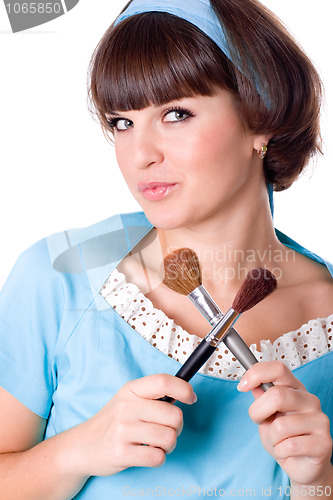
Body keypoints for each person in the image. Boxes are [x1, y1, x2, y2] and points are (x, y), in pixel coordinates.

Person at [0, 0, 332, 498]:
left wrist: (318, 481)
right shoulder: (58, 277)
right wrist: (78, 450)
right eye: (121, 122)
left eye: (175, 114)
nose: (140, 155)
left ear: (262, 117)